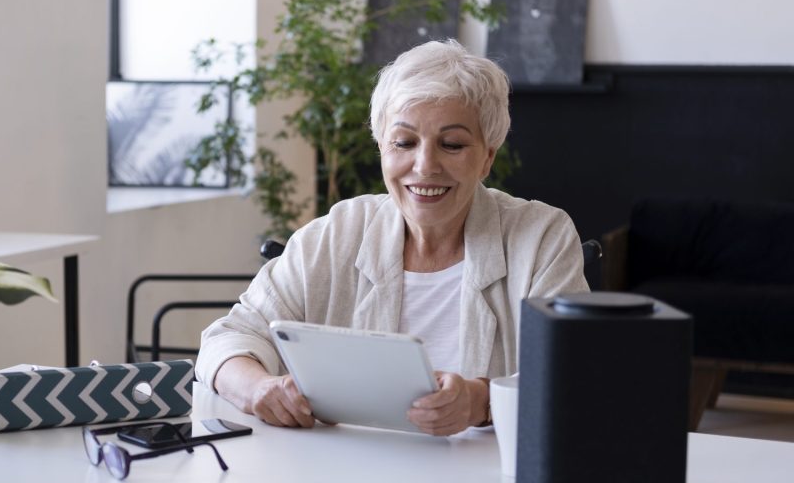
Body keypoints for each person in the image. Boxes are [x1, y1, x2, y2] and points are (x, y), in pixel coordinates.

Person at [195, 39, 589, 436]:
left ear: (487, 156)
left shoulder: (541, 239)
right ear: (382, 146)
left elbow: (576, 373)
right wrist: (259, 389)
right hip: (340, 475)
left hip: (486, 481)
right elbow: (226, 341)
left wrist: (481, 401)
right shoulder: (336, 234)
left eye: (451, 144)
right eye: (404, 142)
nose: (425, 165)